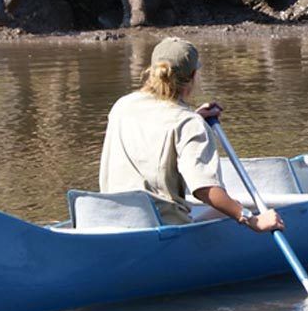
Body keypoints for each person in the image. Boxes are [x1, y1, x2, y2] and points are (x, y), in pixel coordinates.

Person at [100, 36, 284, 231]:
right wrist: (250, 218)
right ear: (194, 75)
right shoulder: (188, 123)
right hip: (158, 228)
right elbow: (204, 189)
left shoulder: (123, 105)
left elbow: (155, 129)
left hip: (111, 218)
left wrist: (193, 119)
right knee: (230, 207)